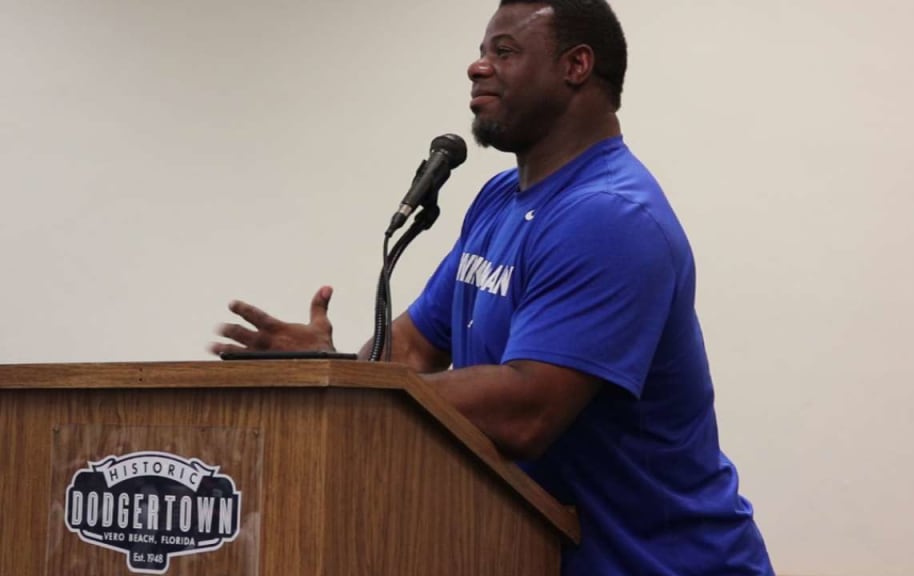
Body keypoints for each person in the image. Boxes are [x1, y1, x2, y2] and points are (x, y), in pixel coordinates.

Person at [212, 1, 774, 574]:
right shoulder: (498, 199)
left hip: (663, 562)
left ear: (576, 65)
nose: (476, 68)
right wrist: (335, 368)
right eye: (482, 52)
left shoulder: (610, 216)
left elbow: (524, 412)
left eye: (503, 51)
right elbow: (409, 350)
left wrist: (344, 385)